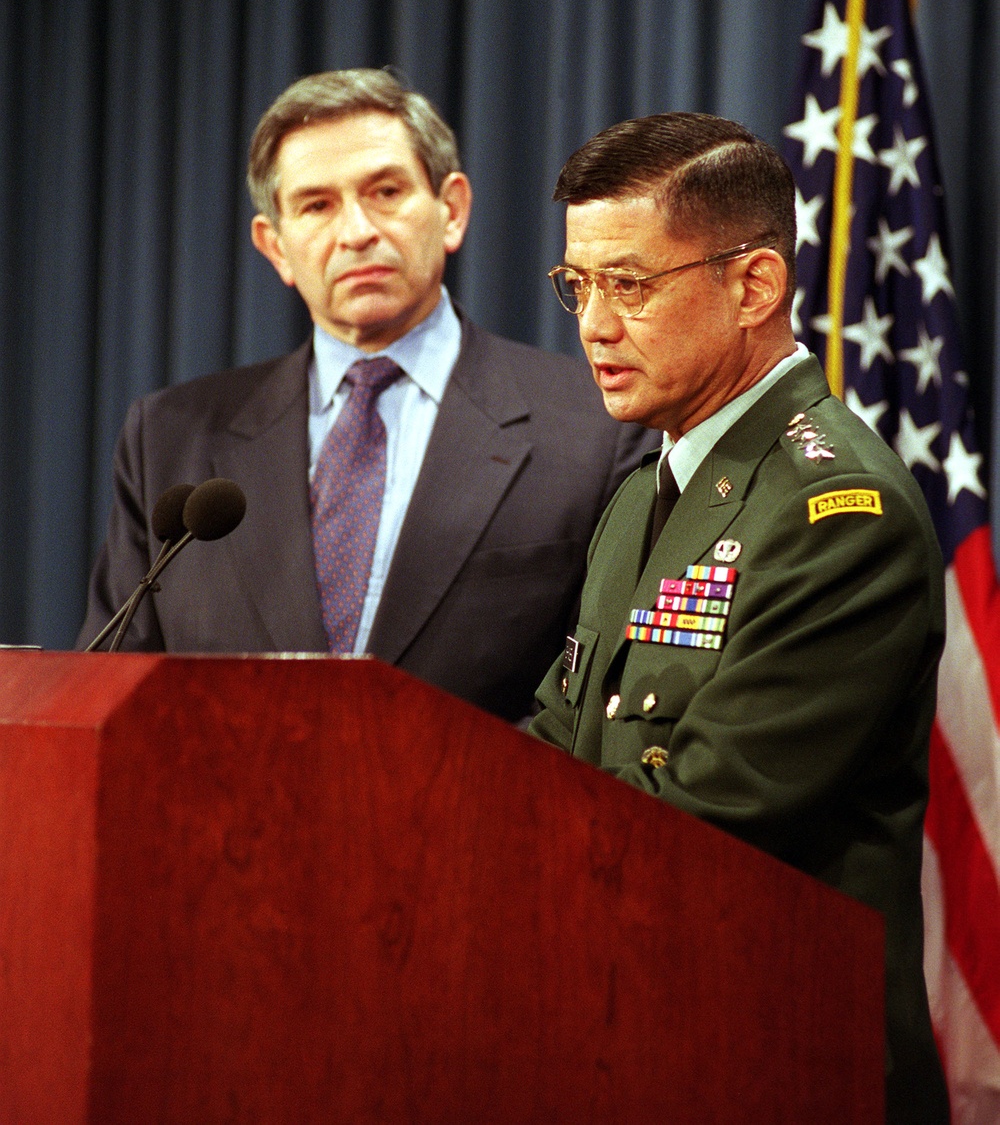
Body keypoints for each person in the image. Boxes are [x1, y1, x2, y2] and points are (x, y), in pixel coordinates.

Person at [531, 112, 948, 1124]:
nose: (591, 323)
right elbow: (556, 740)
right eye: (578, 286)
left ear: (754, 285)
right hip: (639, 1040)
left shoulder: (832, 509)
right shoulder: (646, 487)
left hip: (783, 1058)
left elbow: (709, 817)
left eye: (628, 284)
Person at [79, 70, 654, 721]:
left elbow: (603, 711)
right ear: (276, 246)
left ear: (452, 210)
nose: (356, 231)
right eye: (316, 205)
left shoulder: (597, 427)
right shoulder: (170, 436)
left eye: (385, 191)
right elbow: (117, 696)